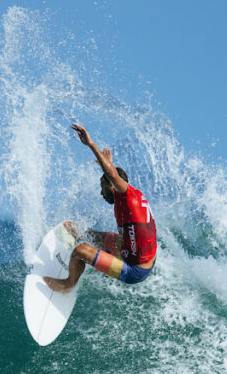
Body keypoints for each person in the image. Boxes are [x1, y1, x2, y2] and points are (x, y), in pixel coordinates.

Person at [44, 124, 157, 293]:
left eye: (102, 187)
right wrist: (108, 164)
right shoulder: (129, 194)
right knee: (93, 235)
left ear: (112, 187)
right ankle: (83, 238)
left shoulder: (127, 197)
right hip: (136, 251)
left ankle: (68, 284)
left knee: (80, 251)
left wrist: (90, 144)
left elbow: (112, 175)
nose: (100, 193)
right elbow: (113, 175)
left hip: (135, 269)